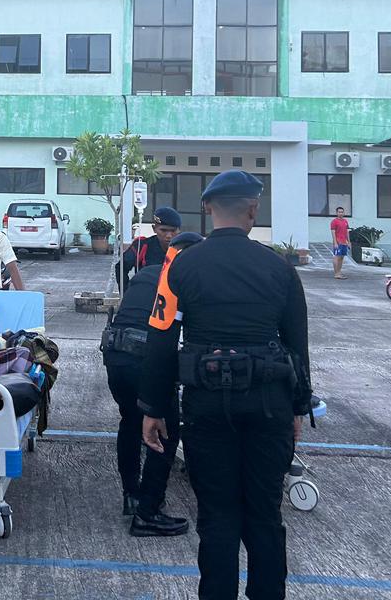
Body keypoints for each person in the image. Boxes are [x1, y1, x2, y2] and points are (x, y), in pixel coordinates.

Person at [139, 170, 313, 600]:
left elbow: (161, 340)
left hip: (207, 407)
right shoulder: (280, 268)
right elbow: (297, 346)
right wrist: (298, 407)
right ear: (253, 209)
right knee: (265, 516)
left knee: (216, 516)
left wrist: (154, 408)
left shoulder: (180, 266)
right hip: (269, 406)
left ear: (207, 209)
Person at [103, 232, 202, 537]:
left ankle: (131, 495)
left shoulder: (146, 274)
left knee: (131, 421)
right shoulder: (187, 278)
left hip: (115, 356)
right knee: (164, 430)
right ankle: (148, 511)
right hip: (146, 359)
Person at [119, 206, 180, 289]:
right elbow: (121, 267)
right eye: (163, 230)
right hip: (146, 293)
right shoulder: (141, 246)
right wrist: (126, 292)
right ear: (154, 229)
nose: (169, 235)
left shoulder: (185, 250)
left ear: (179, 230)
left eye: (173, 231)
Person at [329, 206, 350, 279]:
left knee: (341, 257)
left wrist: (349, 242)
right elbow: (333, 233)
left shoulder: (345, 221)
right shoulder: (334, 221)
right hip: (338, 242)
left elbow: (347, 232)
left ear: (343, 213)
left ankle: (339, 272)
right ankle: (336, 274)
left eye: (342, 212)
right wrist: (335, 243)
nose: (341, 213)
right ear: (336, 213)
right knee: (336, 257)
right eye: (339, 212)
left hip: (344, 242)